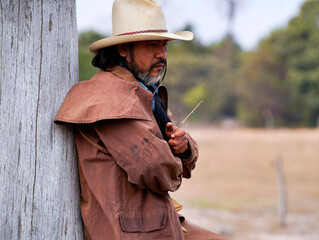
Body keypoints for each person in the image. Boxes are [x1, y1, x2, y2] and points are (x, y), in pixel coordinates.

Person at [55, 0, 225, 239]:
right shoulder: (110, 101)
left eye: (164, 45)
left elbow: (176, 158)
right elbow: (157, 169)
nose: (162, 55)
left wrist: (184, 148)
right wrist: (176, 158)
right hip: (132, 231)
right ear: (123, 49)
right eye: (152, 45)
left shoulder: (138, 92)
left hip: (155, 221)